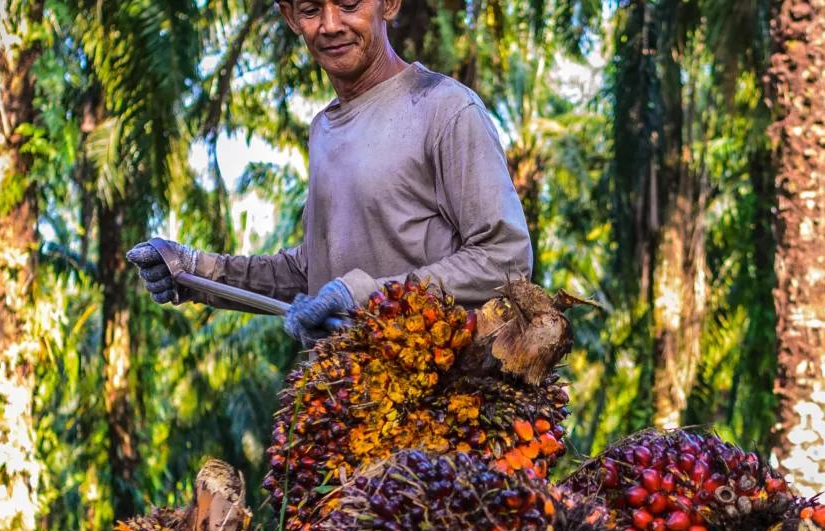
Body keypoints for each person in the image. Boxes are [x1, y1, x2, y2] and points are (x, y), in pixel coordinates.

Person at [126, 0, 532, 344]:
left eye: (350, 4)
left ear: (389, 3)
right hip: (352, 407)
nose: (331, 25)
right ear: (290, 17)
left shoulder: (445, 107)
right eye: (310, 9)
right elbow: (313, 272)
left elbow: (504, 259)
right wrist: (193, 270)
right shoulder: (324, 129)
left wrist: (363, 294)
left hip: (443, 406)